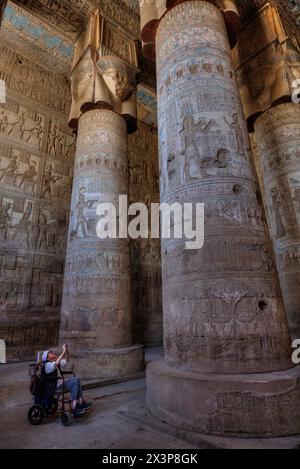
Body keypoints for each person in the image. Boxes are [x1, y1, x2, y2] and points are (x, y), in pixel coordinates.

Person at [41, 344, 92, 417]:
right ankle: (74, 407)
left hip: (59, 382)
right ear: (47, 358)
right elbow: (56, 363)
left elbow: (66, 360)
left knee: (77, 379)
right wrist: (63, 351)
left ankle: (81, 402)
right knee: (74, 382)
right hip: (54, 386)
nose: (52, 352)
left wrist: (66, 351)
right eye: (50, 353)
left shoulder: (53, 362)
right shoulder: (47, 365)